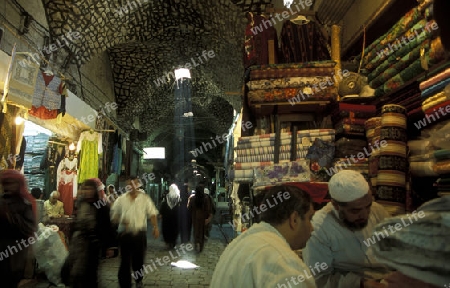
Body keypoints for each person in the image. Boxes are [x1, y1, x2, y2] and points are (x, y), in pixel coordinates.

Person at [211, 185, 316, 287]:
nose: (312, 228)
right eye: (310, 219)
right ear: (294, 219)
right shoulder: (283, 262)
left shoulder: (245, 241)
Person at [303, 170, 392, 288]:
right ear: (335, 205)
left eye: (367, 206)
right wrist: (361, 284)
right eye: (355, 211)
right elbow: (319, 279)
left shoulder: (377, 210)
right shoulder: (318, 229)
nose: (365, 215)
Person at [61, 178, 116, 288]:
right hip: (77, 244)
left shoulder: (101, 206)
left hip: (92, 245)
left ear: (95, 190)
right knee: (73, 270)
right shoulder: (80, 204)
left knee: (89, 273)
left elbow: (107, 226)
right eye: (85, 189)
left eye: (90, 189)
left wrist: (110, 246)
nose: (87, 191)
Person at [111, 176, 159, 288]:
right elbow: (114, 216)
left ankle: (138, 280)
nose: (132, 186)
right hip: (125, 234)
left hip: (139, 234)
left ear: (138, 185)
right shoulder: (121, 199)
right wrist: (122, 220)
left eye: (134, 183)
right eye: (129, 184)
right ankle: (124, 283)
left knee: (138, 260)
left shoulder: (144, 198)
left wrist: (155, 227)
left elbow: (152, 213)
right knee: (125, 261)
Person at [0, 169, 36, 288]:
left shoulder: (25, 204)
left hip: (15, 252)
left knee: (11, 280)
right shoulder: (2, 201)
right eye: (6, 183)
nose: (8, 187)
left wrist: (11, 217)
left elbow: (29, 228)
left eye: (11, 183)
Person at [188, 185, 212, 252]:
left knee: (195, 231)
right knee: (202, 231)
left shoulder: (193, 199)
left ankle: (196, 242)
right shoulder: (205, 199)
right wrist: (208, 218)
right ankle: (200, 246)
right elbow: (208, 209)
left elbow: (189, 208)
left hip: (195, 217)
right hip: (203, 218)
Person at [159, 183, 180, 249]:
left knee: (167, 229)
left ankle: (168, 242)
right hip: (175, 217)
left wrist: (161, 213)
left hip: (166, 217)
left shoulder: (166, 197)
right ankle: (173, 242)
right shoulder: (178, 197)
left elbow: (163, 205)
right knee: (174, 229)